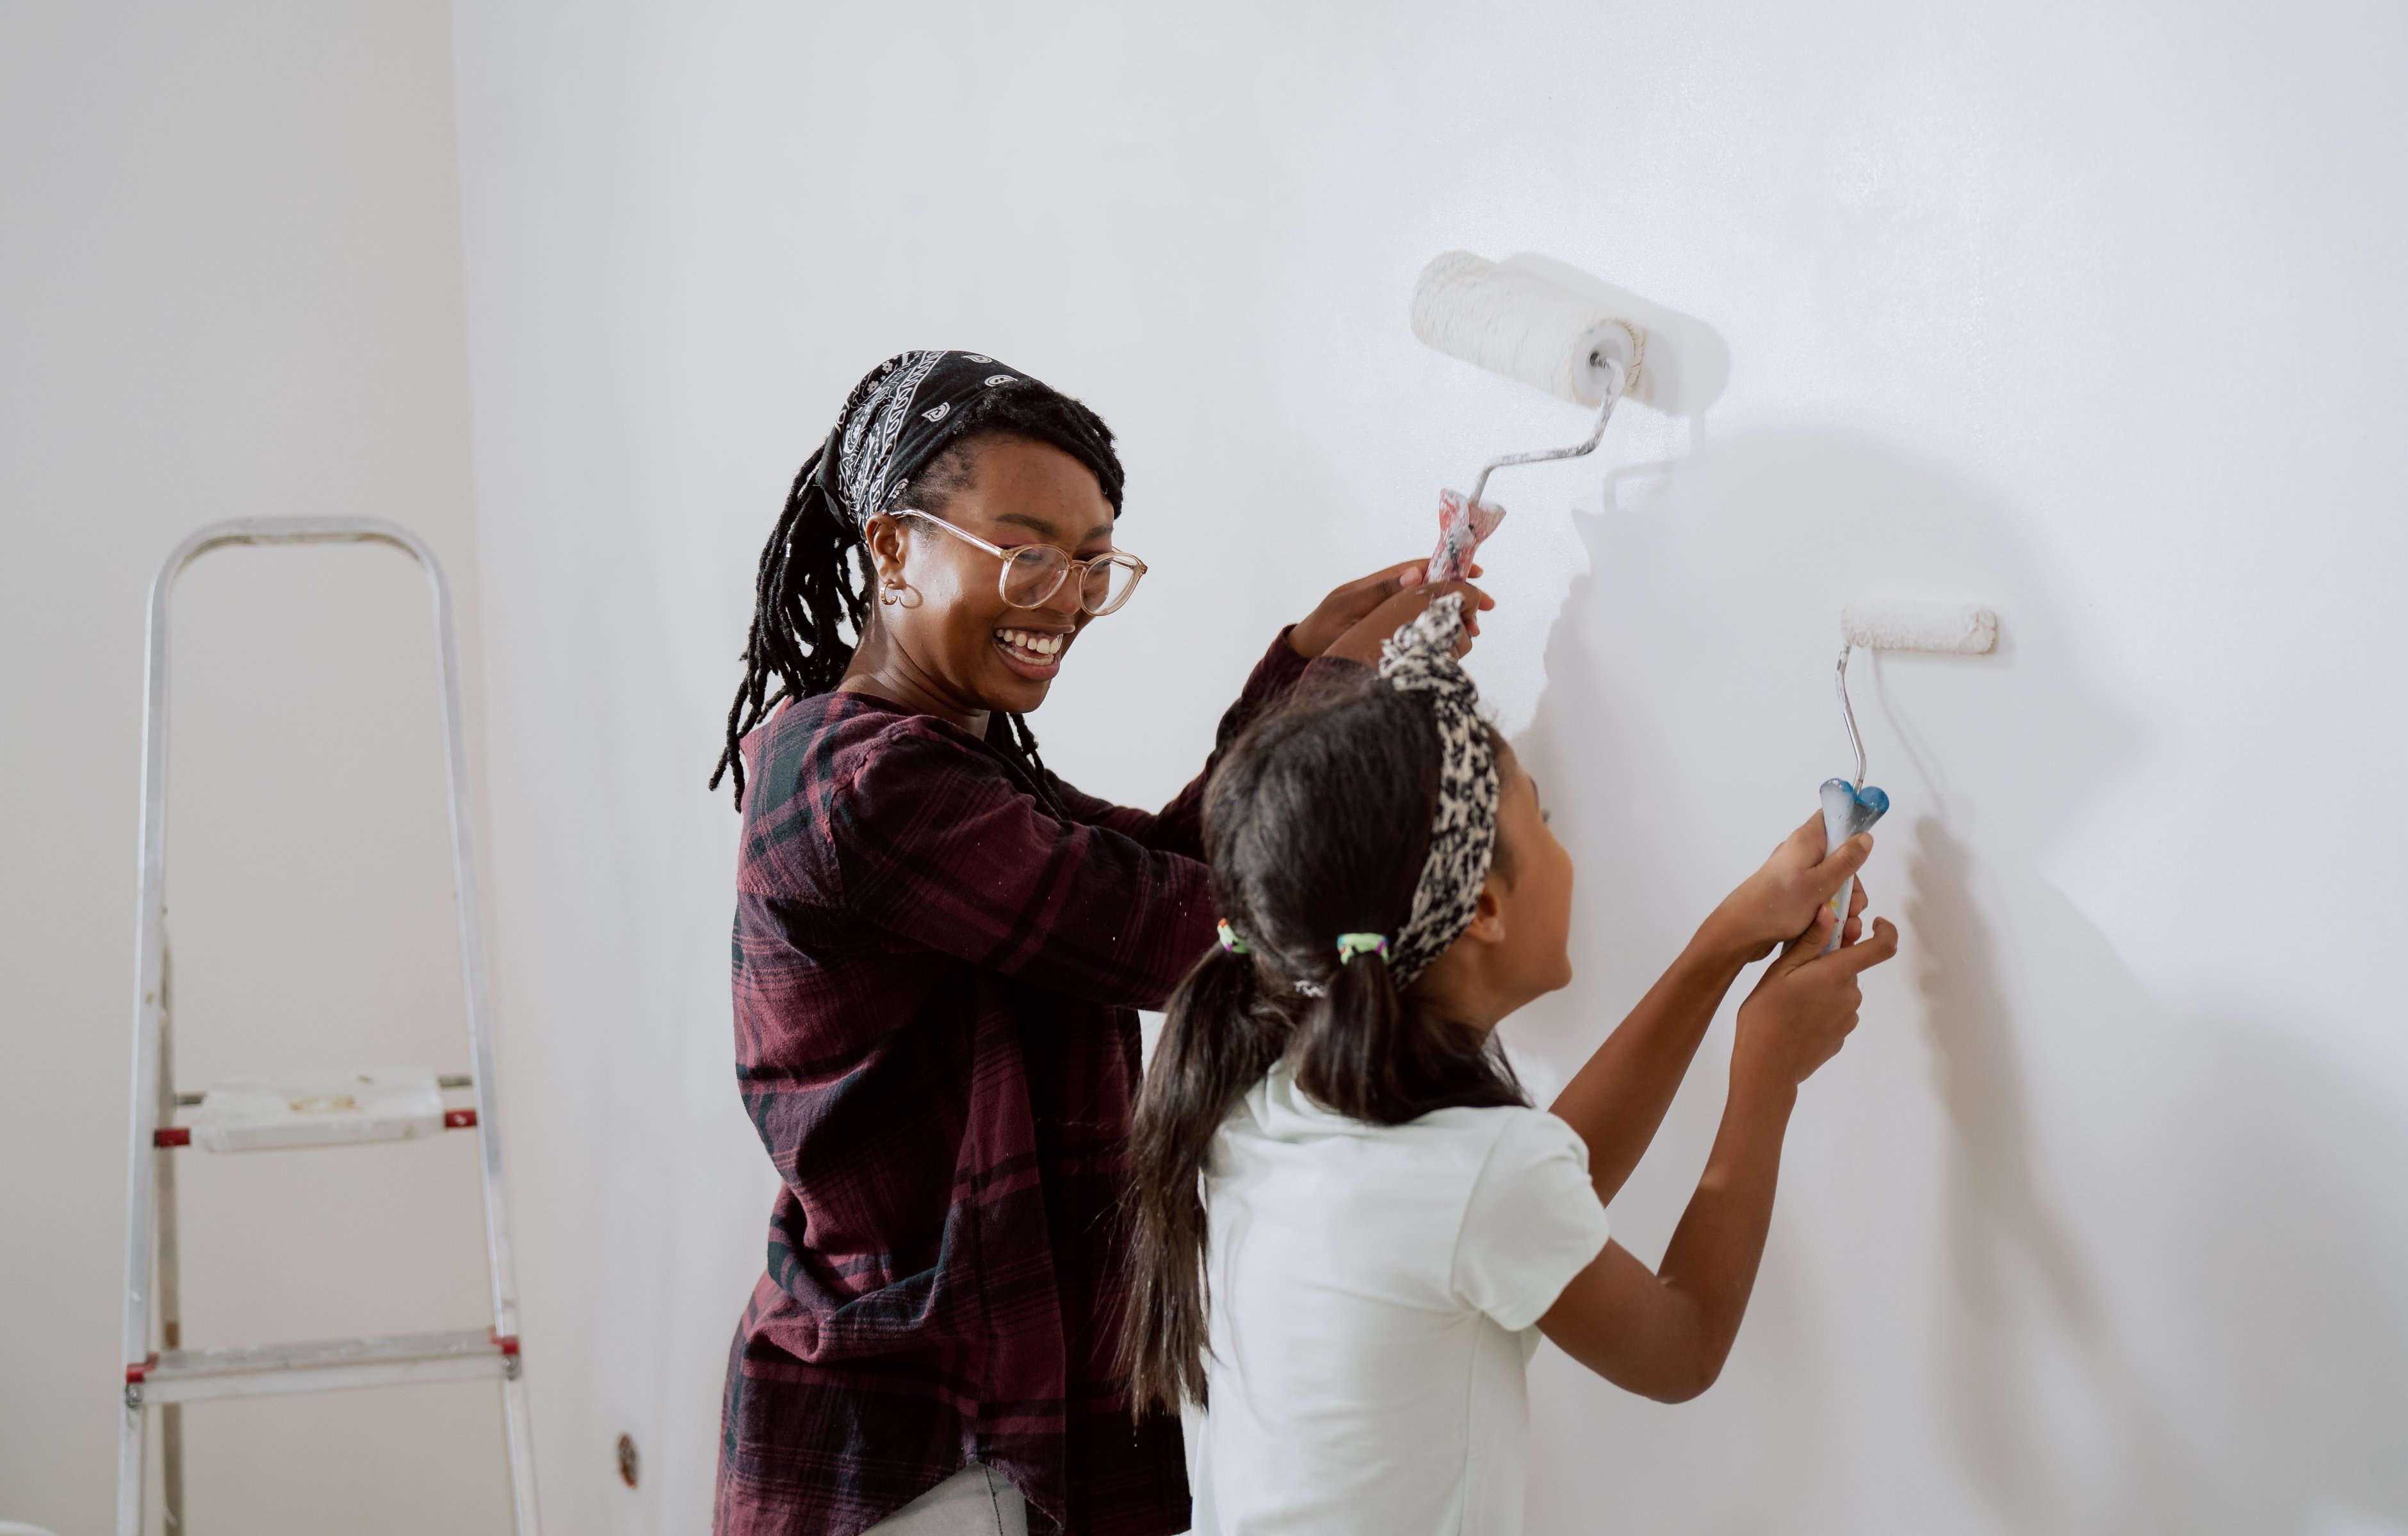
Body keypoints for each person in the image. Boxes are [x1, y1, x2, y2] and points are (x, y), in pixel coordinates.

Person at [707, 351, 1485, 1536]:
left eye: (1090, 561)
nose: (1065, 598)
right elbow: (1181, 929)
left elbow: (1161, 871)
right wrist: (1332, 694)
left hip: (989, 1422)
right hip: (913, 1445)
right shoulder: (861, 786)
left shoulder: (946, 768)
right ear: (892, 549)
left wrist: (1303, 673)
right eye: (1026, 550)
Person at [1124, 596, 1900, 1536]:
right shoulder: (1469, 1174)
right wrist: (1765, 1076)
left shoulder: (1271, 1091)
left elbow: (1518, 1196)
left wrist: (1716, 952)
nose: (1568, 850)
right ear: (1487, 908)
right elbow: (1682, 1346)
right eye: (1545, 821)